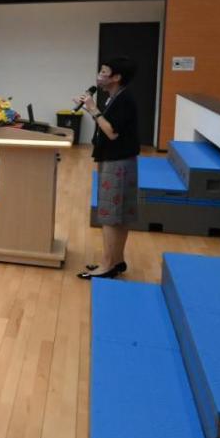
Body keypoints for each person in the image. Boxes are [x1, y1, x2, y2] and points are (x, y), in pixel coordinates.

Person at [78, 57, 141, 280]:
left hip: (117, 162)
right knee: (119, 215)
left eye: (104, 72)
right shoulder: (116, 97)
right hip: (119, 160)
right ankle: (117, 260)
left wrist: (93, 109)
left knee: (110, 215)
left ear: (116, 77)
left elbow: (112, 132)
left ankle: (107, 265)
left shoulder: (124, 100)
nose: (99, 76)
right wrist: (93, 110)